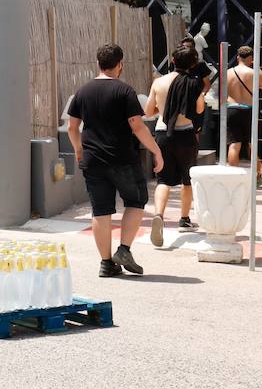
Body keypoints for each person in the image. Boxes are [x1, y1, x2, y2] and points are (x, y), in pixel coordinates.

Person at [66, 44, 164, 277]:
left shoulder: (82, 91)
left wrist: (79, 149)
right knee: (136, 200)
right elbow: (137, 125)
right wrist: (156, 151)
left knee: (101, 210)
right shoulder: (125, 91)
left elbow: (72, 127)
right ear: (120, 64)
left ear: (98, 63)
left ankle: (106, 263)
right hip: (123, 158)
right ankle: (124, 250)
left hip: (92, 159)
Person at [144, 46, 206, 246]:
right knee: (187, 179)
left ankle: (158, 215)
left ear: (173, 60)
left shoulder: (158, 82)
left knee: (163, 179)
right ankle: (184, 219)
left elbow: (148, 111)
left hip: (163, 134)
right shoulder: (194, 83)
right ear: (193, 64)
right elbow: (199, 109)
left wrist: (163, 108)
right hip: (185, 134)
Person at [224, 45, 262, 166]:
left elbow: (222, 94)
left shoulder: (227, 73)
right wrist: (258, 68)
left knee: (234, 145)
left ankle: (233, 173)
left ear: (238, 57)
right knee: (253, 144)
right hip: (249, 110)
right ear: (251, 59)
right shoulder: (253, 73)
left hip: (231, 108)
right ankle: (256, 173)